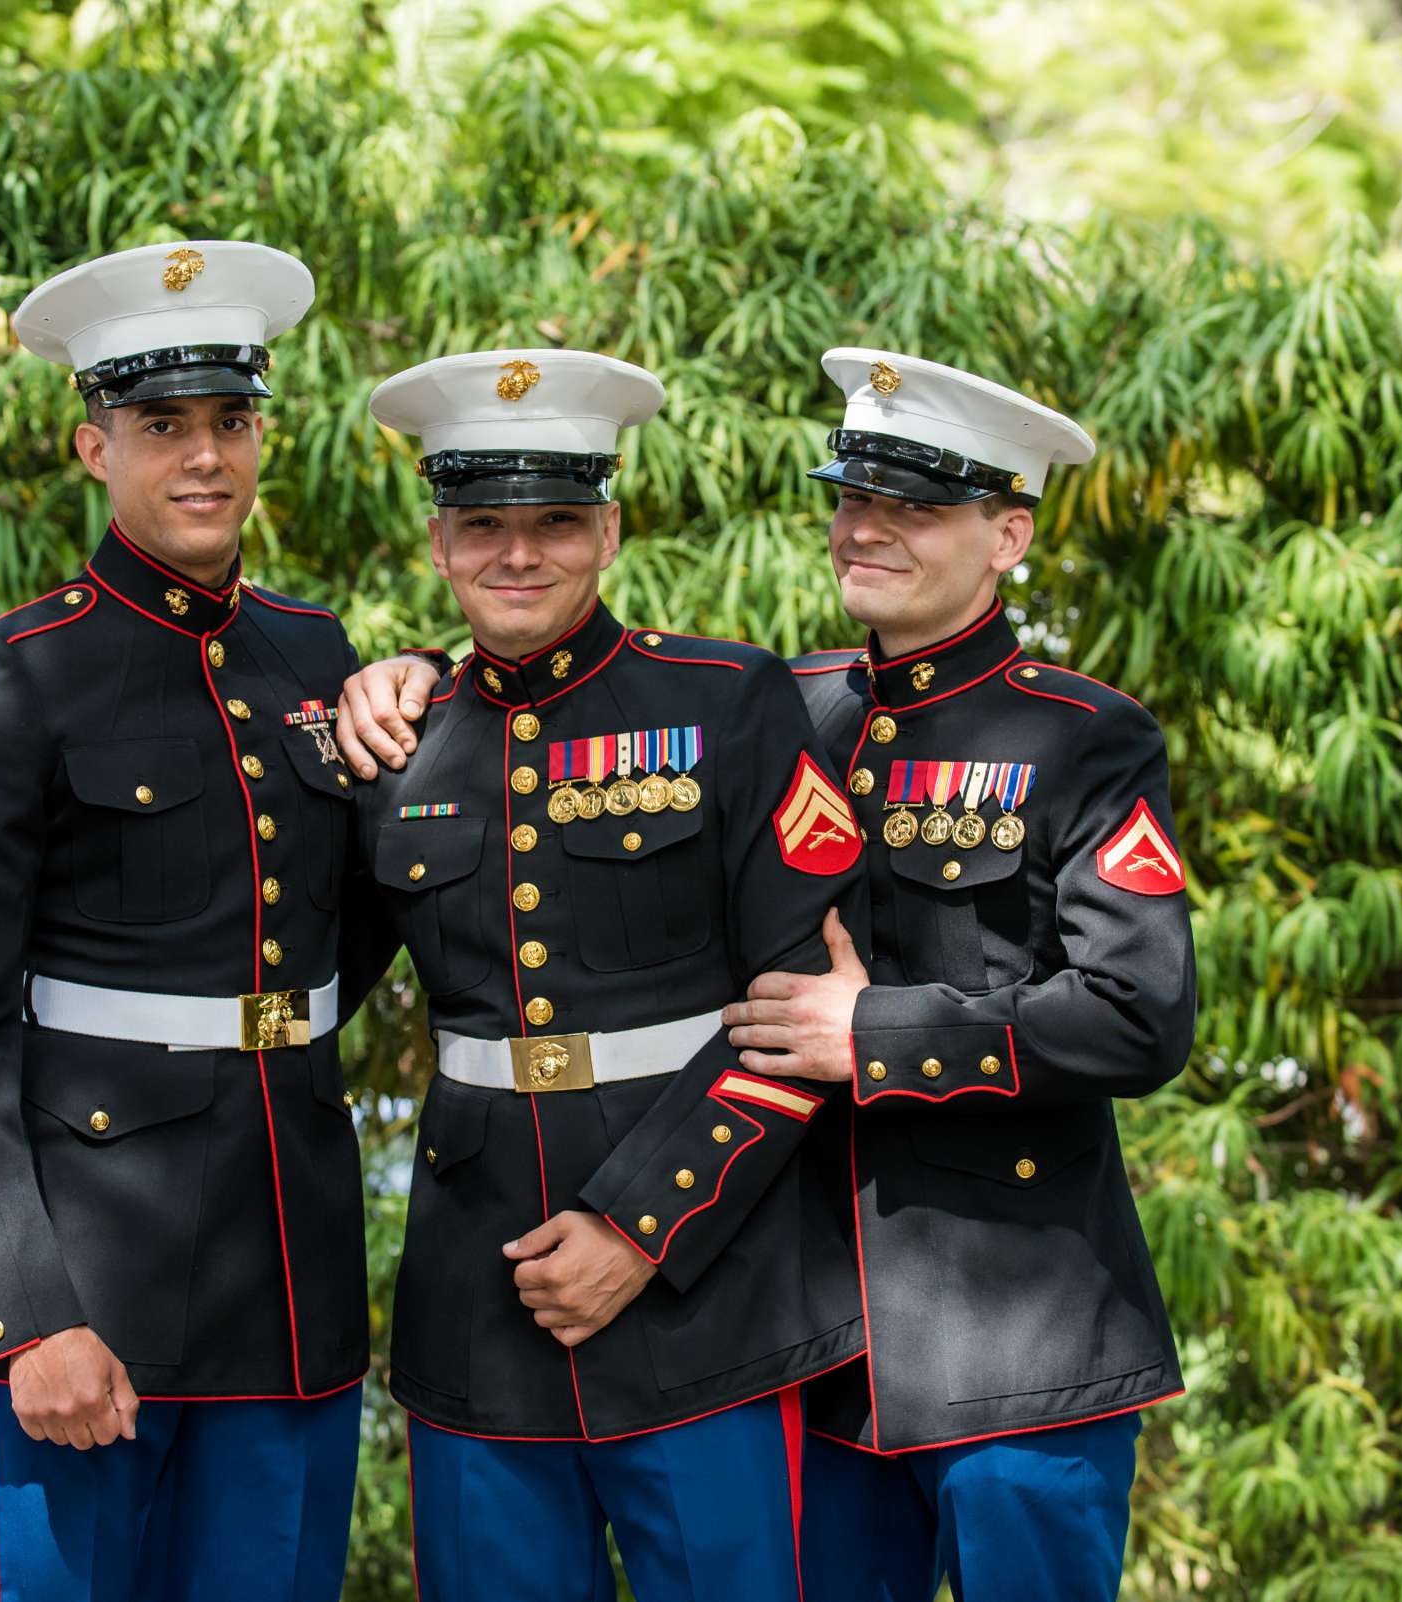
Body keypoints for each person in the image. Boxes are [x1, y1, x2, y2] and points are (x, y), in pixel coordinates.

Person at [0, 240, 435, 1602]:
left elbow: (351, 925)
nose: (205, 457)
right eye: (162, 426)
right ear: (94, 445)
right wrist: (23, 1315)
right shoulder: (12, 676)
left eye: (231, 423)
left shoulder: (315, 654)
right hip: (94, 1282)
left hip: (291, 1260)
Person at [354, 348, 870, 1601]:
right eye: (484, 524)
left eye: (555, 522)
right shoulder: (394, 740)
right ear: (439, 542)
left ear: (610, 529)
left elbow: (801, 1003)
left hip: (706, 1288)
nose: (517, 554)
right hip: (480, 1299)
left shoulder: (724, 697)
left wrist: (643, 1227)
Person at [719, 349, 1199, 1601]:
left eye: (916, 506)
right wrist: (406, 684)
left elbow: (1137, 1016)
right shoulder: (782, 711)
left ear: (1009, 535)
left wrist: (871, 1034)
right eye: (852, 495)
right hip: (810, 1333)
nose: (865, 527)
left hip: (1020, 1333)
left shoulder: (1082, 737)